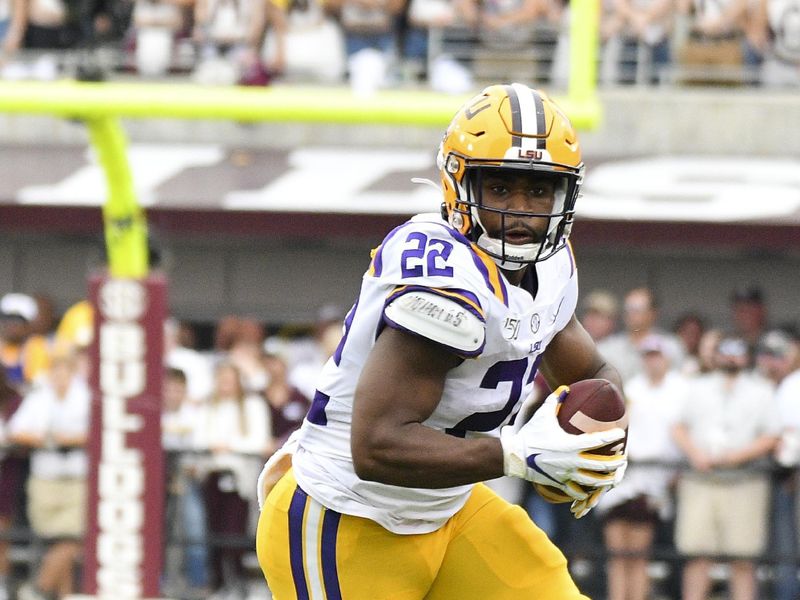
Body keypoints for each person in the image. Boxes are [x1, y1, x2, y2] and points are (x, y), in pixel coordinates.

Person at [255, 84, 628, 599]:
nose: (521, 210)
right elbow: (377, 444)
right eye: (500, 189)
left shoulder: (551, 267)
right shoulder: (446, 275)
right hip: (349, 514)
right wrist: (522, 454)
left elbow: (594, 374)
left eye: (539, 191)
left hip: (446, 508)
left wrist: (600, 442)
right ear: (459, 184)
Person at [671, 335, 779, 600]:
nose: (731, 358)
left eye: (737, 352)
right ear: (716, 356)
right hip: (700, 479)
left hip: (745, 481)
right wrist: (696, 454)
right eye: (726, 352)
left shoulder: (762, 390)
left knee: (743, 558)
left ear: (747, 356)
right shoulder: (696, 387)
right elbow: (678, 426)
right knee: (697, 555)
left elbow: (772, 436)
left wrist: (737, 456)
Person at [597, 334, 686, 600]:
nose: (652, 361)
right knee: (617, 555)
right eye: (647, 356)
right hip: (622, 480)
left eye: (656, 355)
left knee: (638, 555)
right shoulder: (632, 388)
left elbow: (676, 436)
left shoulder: (680, 389)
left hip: (653, 482)